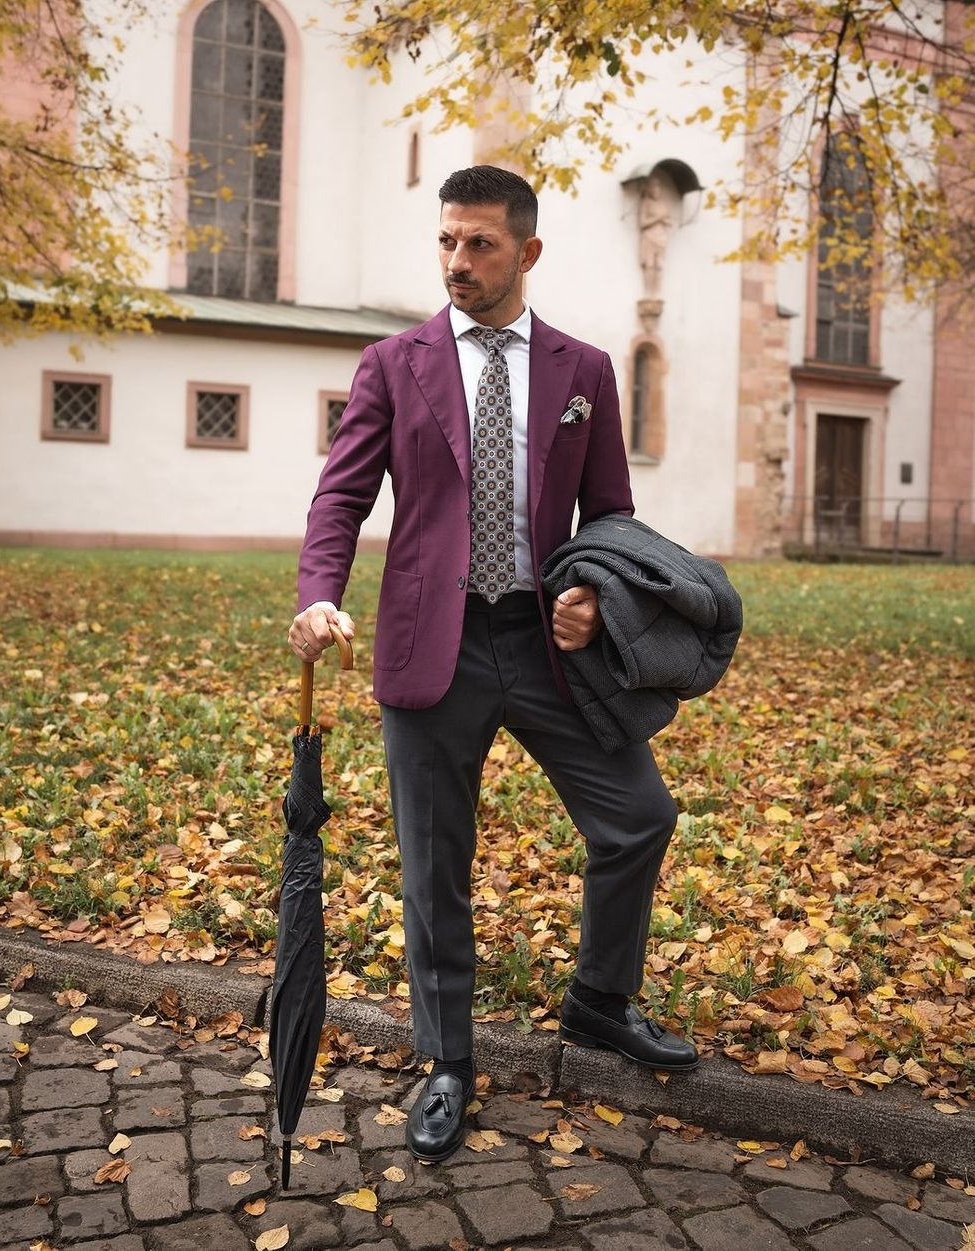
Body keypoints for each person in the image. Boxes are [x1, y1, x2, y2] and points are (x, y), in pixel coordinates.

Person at [288, 165, 697, 1164]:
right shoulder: (395, 363)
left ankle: (599, 1002)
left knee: (639, 817)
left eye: (477, 244)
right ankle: (447, 1062)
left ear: (527, 251)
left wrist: (597, 595)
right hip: (433, 645)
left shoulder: (583, 370)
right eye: (445, 242)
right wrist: (318, 592)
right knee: (436, 868)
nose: (457, 262)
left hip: (549, 647)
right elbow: (340, 497)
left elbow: (609, 515)